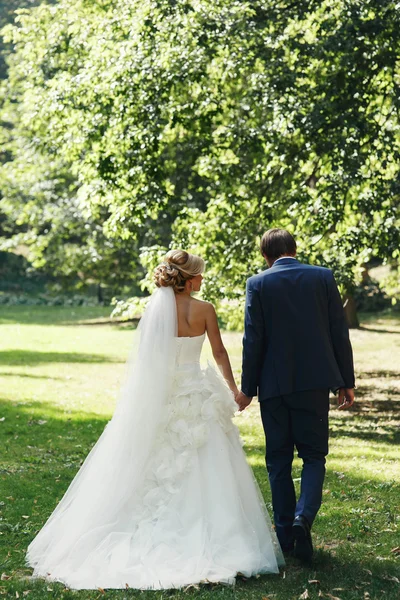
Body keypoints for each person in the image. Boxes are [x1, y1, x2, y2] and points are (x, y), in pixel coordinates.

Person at [26, 249, 283, 590]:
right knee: (207, 457)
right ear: (189, 278)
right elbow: (219, 352)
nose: (203, 278)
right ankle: (213, 533)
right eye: (200, 274)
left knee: (154, 458)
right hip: (196, 393)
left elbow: (148, 360)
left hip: (165, 394)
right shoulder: (205, 309)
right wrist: (234, 389)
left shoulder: (155, 309)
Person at [236, 229, 355, 563]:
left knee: (278, 461)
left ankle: (286, 537)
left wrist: (248, 389)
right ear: (295, 249)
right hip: (315, 385)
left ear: (265, 255)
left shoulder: (257, 284)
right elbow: (338, 332)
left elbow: (252, 340)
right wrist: (346, 381)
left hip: (274, 389)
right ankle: (304, 518)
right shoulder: (322, 277)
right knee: (314, 457)